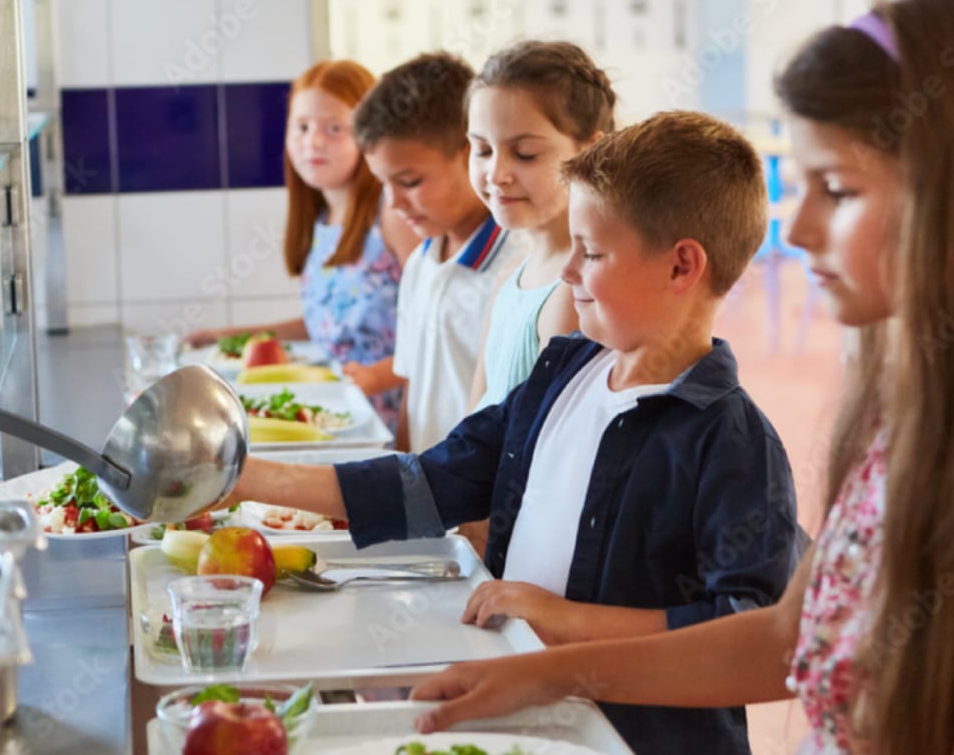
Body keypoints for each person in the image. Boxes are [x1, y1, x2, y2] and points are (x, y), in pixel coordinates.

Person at [408, 0, 954, 755]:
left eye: (838, 189)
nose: (793, 231)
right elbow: (776, 640)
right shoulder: (899, 421)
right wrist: (546, 673)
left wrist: (560, 655)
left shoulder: (725, 431)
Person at [225, 110, 802, 754]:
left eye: (594, 252)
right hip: (532, 725)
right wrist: (244, 476)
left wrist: (565, 620)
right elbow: (435, 480)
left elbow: (750, 632)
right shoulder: (563, 371)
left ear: (681, 267)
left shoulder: (735, 444)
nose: (569, 273)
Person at [187, 60, 418, 430]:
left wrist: (375, 378)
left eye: (334, 128)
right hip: (337, 418)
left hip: (387, 427)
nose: (313, 141)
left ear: (370, 132)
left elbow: (439, 332)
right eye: (302, 127)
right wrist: (228, 337)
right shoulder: (322, 219)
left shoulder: (393, 214)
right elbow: (327, 325)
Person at [348, 51, 522, 453]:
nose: (394, 203)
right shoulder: (421, 263)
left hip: (482, 508)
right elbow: (413, 387)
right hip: (430, 504)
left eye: (409, 181)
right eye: (383, 184)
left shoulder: (516, 268)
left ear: (471, 151)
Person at [467, 40, 613, 413]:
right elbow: (471, 423)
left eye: (525, 154)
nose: (496, 175)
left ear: (588, 153)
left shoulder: (575, 293)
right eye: (482, 150)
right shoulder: (511, 275)